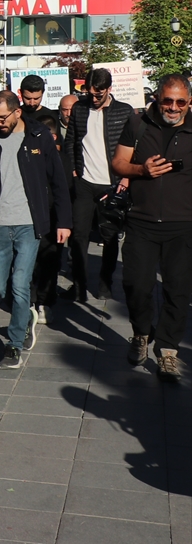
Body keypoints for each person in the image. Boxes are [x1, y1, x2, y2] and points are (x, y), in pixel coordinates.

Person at [0, 92, 72, 370]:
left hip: (29, 223)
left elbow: (58, 180)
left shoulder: (39, 136)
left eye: (2, 117)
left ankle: (14, 343)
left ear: (17, 112)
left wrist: (64, 222)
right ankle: (25, 315)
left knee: (21, 284)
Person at [112, 74, 192, 381]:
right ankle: (141, 333)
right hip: (142, 221)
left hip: (183, 224)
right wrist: (141, 170)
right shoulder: (138, 124)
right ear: (157, 98)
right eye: (167, 100)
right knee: (136, 285)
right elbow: (118, 163)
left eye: (180, 102)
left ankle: (168, 350)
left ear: (189, 102)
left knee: (177, 290)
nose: (173, 107)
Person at [63, 68, 133, 302]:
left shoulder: (124, 111)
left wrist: (126, 177)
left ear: (109, 89)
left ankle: (105, 283)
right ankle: (79, 285)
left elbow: (135, 146)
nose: (93, 98)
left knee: (110, 237)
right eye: (90, 93)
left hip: (112, 184)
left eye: (98, 94)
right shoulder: (79, 109)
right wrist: (73, 170)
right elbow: (71, 140)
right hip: (84, 182)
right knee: (79, 236)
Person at [29, 112, 67, 323]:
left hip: (52, 220)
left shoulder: (60, 159)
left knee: (50, 262)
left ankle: (44, 302)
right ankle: (32, 302)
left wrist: (64, 222)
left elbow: (64, 190)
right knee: (29, 263)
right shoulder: (28, 156)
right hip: (31, 217)